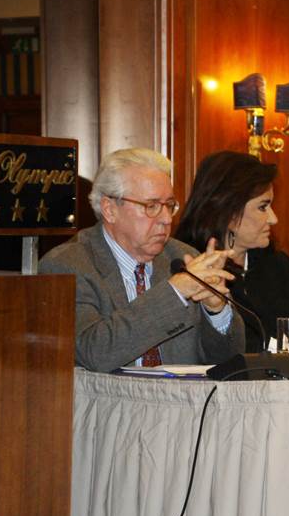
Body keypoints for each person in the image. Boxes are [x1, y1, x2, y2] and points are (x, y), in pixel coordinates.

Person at [39, 148, 245, 372]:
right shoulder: (67, 265)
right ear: (110, 209)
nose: (166, 219)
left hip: (184, 395)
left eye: (169, 205)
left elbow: (229, 363)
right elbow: (93, 353)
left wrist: (216, 311)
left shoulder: (184, 257)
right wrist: (174, 293)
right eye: (151, 206)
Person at [175, 151, 289, 360]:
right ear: (229, 212)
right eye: (263, 207)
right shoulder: (188, 268)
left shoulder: (279, 267)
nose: (273, 219)